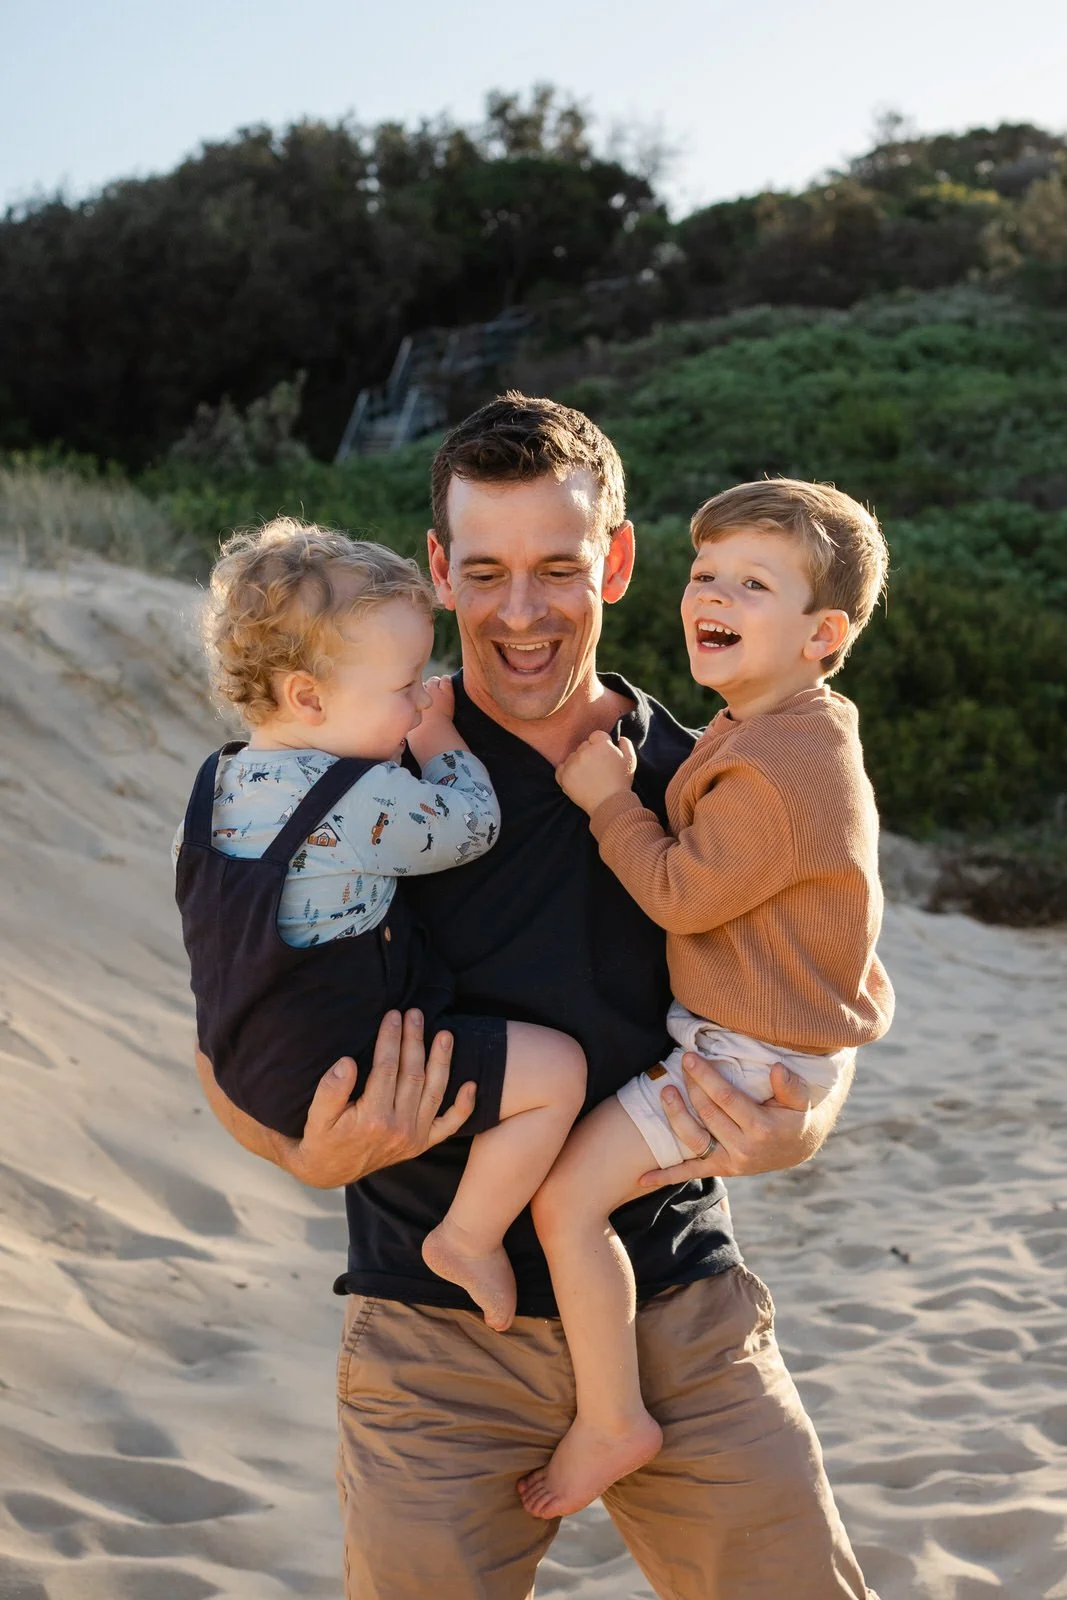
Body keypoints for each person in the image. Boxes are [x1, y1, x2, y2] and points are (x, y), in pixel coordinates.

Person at [193, 395, 880, 1600]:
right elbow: (230, 1034)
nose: (521, 612)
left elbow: (812, 987)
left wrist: (803, 1119)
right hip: (431, 1339)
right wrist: (302, 1153)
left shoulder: (699, 777)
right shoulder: (350, 774)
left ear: (613, 559)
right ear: (438, 570)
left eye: (559, 568)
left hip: (677, 1308)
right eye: (487, 571)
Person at [517, 478, 895, 1519]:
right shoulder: (779, 725)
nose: (710, 595)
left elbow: (680, 890)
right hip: (752, 1038)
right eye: (703, 574)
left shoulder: (777, 767)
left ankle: (611, 1419)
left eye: (750, 584)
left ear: (823, 632)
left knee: (564, 1200)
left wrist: (606, 803)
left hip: (739, 1058)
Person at [174, 520, 586, 1333]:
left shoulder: (219, 784)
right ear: (308, 697)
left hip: (250, 1055)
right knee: (558, 1075)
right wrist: (438, 737)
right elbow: (469, 824)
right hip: (352, 1068)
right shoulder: (358, 798)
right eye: (404, 686)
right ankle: (467, 1236)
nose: (422, 694)